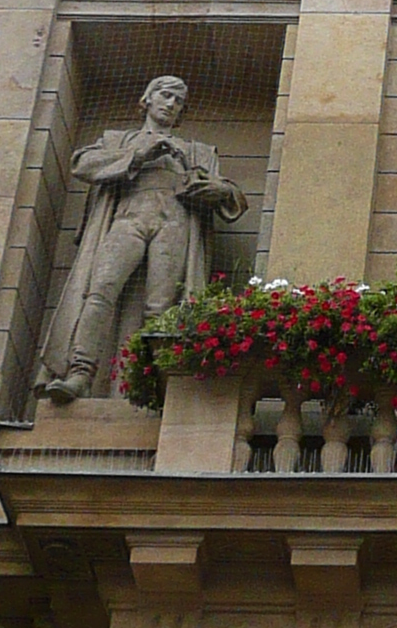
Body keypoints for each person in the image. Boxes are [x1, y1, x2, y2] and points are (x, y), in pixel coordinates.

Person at [36, 74, 248, 402]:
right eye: (165, 95)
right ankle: (80, 372)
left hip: (175, 223)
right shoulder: (119, 139)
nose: (171, 104)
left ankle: (151, 384)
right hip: (128, 218)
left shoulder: (198, 151)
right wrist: (138, 155)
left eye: (178, 101)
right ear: (147, 99)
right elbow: (82, 163)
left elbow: (232, 194)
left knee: (161, 306)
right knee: (100, 291)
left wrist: (217, 190)